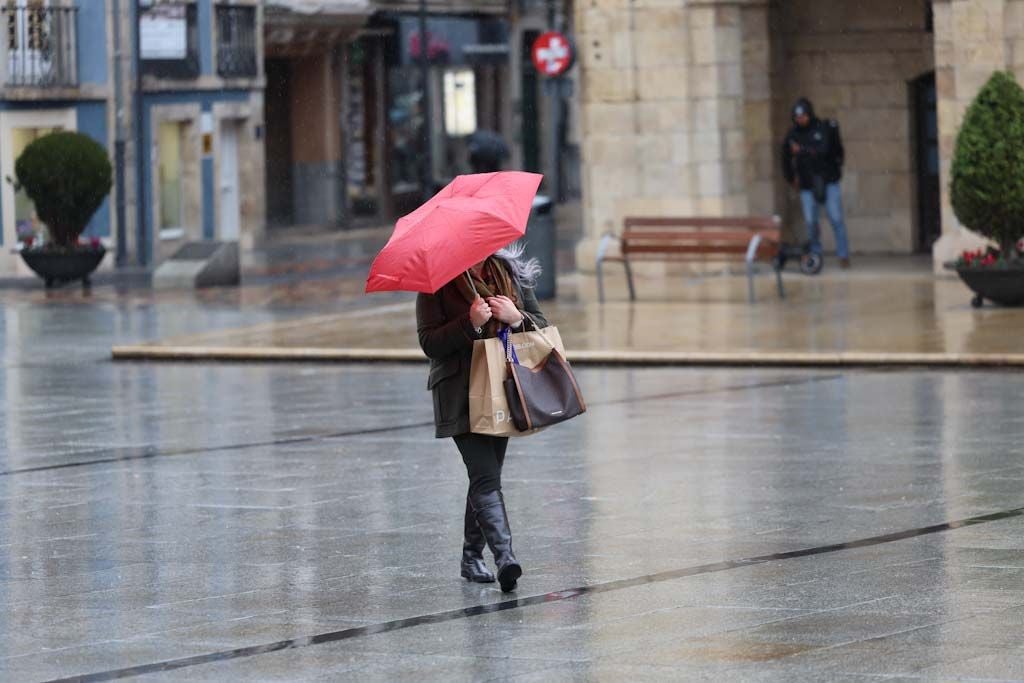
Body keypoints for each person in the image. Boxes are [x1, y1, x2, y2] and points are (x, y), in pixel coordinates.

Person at [415, 244, 548, 592]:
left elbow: (541, 324)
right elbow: (429, 342)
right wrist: (469, 324)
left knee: (486, 477)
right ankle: (505, 557)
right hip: (459, 393)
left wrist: (516, 317)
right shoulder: (438, 280)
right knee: (485, 476)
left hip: (501, 388)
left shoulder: (510, 272)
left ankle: (471, 556)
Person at [781, 97, 851, 269]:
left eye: (803, 116)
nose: (801, 120)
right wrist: (791, 178)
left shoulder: (823, 128)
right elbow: (785, 157)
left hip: (828, 181)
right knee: (811, 221)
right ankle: (816, 253)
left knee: (835, 218)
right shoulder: (792, 134)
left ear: (809, 114)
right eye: (797, 117)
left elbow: (823, 150)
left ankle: (843, 254)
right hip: (806, 184)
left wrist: (802, 150)